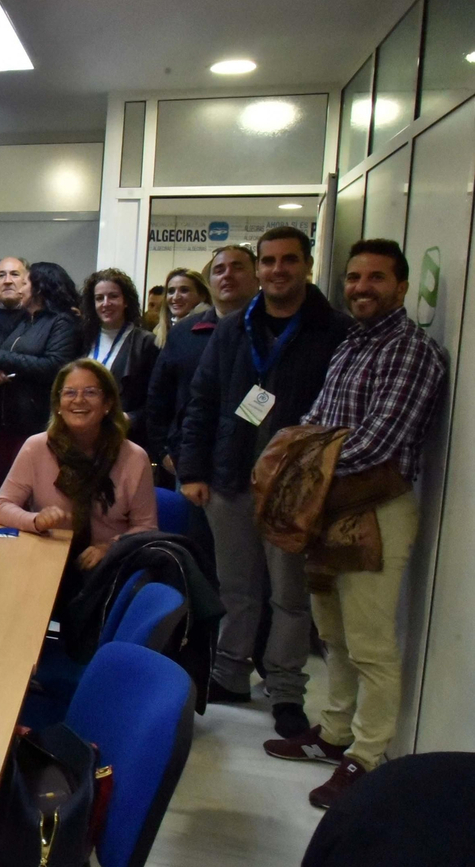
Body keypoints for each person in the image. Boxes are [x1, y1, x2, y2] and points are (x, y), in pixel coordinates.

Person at [261, 239, 447, 809]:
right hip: (328, 508)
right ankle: (335, 731)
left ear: (401, 286)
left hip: (374, 511)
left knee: (369, 643)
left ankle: (366, 757)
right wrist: (308, 453)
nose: (362, 288)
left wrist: (302, 464)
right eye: (354, 278)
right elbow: (315, 421)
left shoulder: (412, 351)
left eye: (376, 278)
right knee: (333, 634)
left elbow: (376, 445)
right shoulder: (352, 344)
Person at [177, 226, 352, 738]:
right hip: (230, 478)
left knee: (290, 596)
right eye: (270, 261)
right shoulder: (234, 328)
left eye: (288, 260)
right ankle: (231, 673)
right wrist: (193, 471)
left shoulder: (333, 330)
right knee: (236, 588)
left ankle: (286, 688)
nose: (278, 270)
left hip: (296, 487)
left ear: (307, 266)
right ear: (260, 268)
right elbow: (203, 401)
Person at [0, 360, 158, 614]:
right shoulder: (36, 447)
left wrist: (111, 547)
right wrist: (35, 520)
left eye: (90, 392)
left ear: (108, 403)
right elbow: (1, 506)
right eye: (69, 392)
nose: (78, 400)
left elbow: (147, 527)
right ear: (58, 404)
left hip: (106, 573)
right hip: (45, 564)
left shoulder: (134, 457)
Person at [0, 259, 81, 489]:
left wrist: (0, 358)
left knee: (29, 489)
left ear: (40, 288)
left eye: (25, 282)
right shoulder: (28, 320)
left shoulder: (61, 321)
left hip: (36, 424)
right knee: (2, 487)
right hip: (6, 423)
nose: (19, 287)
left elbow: (56, 365)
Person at [148, 246, 258, 485]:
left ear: (257, 276)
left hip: (253, 467)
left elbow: (269, 394)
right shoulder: (183, 333)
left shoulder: (269, 332)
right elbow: (159, 398)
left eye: (237, 267)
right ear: (210, 282)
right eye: (219, 270)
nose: (227, 275)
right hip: (190, 465)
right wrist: (164, 451)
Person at [80, 269, 158, 448]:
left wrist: (132, 417)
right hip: (84, 433)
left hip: (124, 435)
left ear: (126, 301)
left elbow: (157, 398)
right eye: (99, 298)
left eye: (113, 296)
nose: (106, 303)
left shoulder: (146, 342)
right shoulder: (82, 338)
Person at [155, 267, 211, 348]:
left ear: (202, 295)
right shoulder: (158, 332)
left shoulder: (210, 330)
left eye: (184, 290)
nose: (175, 297)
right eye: (171, 291)